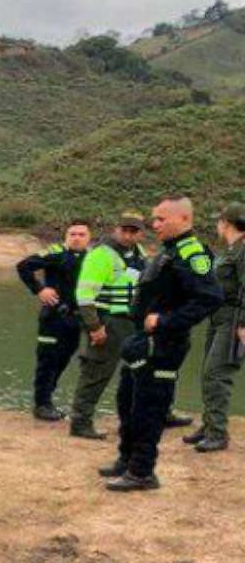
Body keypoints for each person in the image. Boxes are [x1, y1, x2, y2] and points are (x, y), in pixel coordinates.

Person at [103, 196, 223, 491]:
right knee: (127, 401)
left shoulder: (192, 253)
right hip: (142, 341)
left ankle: (142, 472)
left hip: (164, 344)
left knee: (149, 408)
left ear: (184, 219)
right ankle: (126, 459)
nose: (154, 224)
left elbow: (210, 298)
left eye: (161, 219)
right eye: (153, 218)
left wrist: (166, 321)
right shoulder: (168, 250)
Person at [67, 212, 147, 439]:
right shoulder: (101, 255)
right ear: (115, 229)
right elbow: (84, 295)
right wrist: (95, 327)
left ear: (141, 233)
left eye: (133, 231)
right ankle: (80, 423)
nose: (128, 235)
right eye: (124, 230)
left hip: (131, 322)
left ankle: (140, 418)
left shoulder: (138, 253)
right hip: (107, 321)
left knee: (141, 369)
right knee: (96, 372)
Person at [16, 220, 91, 420]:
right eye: (72, 234)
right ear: (66, 236)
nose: (77, 238)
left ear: (89, 238)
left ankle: (47, 401)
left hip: (76, 320)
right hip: (53, 317)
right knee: (47, 361)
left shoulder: (92, 259)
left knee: (63, 360)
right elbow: (23, 266)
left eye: (81, 234)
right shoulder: (55, 253)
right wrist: (39, 289)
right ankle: (41, 405)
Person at [185, 203, 245, 453]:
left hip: (233, 318)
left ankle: (217, 433)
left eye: (219, 221)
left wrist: (243, 324)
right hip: (217, 316)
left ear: (226, 223)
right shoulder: (230, 249)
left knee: (217, 373)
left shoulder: (243, 250)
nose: (217, 225)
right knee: (207, 371)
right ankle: (210, 423)